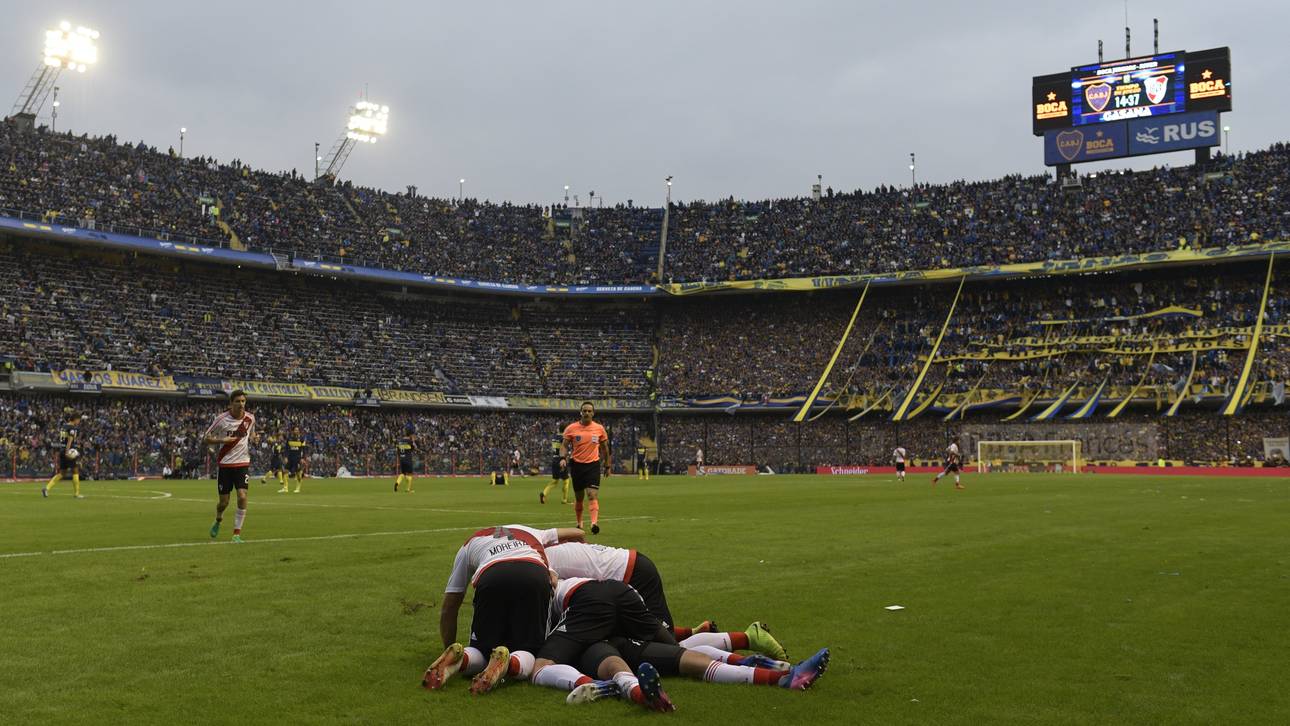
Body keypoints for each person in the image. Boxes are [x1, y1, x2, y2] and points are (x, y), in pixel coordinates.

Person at [526, 576, 829, 709]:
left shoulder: (555, 605)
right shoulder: (558, 569)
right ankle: (775, 675)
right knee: (678, 654)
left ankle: (623, 690)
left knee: (544, 668)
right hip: (621, 600)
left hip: (596, 634)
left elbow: (542, 643)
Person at [425, 524, 585, 694]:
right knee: (530, 650)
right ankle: (509, 664)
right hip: (532, 574)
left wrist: (447, 645)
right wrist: (581, 540)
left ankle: (460, 658)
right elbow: (578, 532)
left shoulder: (469, 544)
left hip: (492, 576)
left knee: (482, 650)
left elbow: (450, 605)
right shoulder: (531, 531)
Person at [202, 390, 256, 542]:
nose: (241, 404)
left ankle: (236, 534)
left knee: (242, 496)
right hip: (225, 465)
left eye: (243, 401)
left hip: (242, 463)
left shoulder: (250, 418)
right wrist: (222, 440)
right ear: (231, 403)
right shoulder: (221, 419)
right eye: (237, 401)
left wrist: (254, 438)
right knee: (223, 502)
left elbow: (252, 433)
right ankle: (218, 518)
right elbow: (206, 438)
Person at [560, 402, 610, 534]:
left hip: (593, 465)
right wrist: (562, 458)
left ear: (593, 413)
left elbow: (605, 448)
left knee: (592, 495)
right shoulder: (571, 428)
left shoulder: (599, 429)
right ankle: (579, 523)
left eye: (589, 411)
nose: (587, 413)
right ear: (580, 412)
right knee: (579, 498)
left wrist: (607, 465)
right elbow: (564, 445)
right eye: (584, 411)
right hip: (577, 466)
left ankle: (594, 524)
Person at [42, 410, 85, 499]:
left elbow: (63, 439)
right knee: (75, 471)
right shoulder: (72, 428)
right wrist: (67, 452)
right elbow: (69, 440)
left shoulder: (64, 427)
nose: (79, 422)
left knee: (62, 473)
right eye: (79, 420)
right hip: (68, 451)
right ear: (75, 419)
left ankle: (47, 488)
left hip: (61, 450)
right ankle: (77, 494)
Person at [540, 428, 571, 505]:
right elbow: (564, 448)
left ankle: (544, 493)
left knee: (555, 481)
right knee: (566, 480)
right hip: (561, 460)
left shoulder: (554, 437)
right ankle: (564, 499)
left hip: (554, 460)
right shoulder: (564, 438)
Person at [283, 426, 307, 493]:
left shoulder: (302, 439)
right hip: (290, 458)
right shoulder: (289, 438)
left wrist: (303, 458)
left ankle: (298, 488)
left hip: (297, 458)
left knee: (298, 473)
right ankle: (285, 488)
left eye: (297, 430)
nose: (296, 431)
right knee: (285, 471)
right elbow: (286, 449)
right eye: (295, 430)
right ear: (293, 431)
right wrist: (286, 457)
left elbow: (304, 449)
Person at [395, 426, 417, 493]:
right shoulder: (410, 441)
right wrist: (413, 441)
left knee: (403, 473)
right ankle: (408, 489)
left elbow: (397, 451)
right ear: (410, 435)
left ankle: (397, 483)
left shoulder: (399, 441)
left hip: (402, 459)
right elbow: (414, 448)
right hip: (408, 459)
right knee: (409, 474)